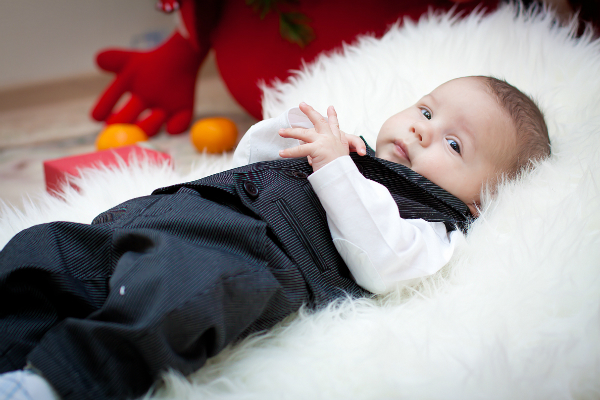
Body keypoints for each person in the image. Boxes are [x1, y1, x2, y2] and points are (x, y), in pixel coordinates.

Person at [0, 76, 550, 400]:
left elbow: (383, 263)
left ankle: (56, 383)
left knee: (176, 294)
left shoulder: (432, 227)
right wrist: (294, 135)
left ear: (480, 201)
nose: (422, 129)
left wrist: (335, 169)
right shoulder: (351, 151)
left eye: (454, 144)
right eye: (426, 110)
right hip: (175, 211)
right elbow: (250, 161)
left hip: (244, 257)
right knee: (45, 249)